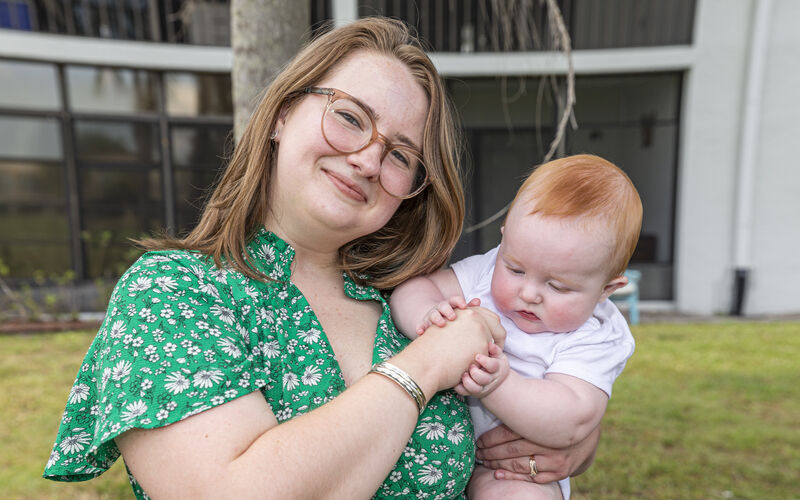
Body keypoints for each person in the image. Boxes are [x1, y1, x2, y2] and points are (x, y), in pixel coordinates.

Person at [44, 18, 600, 499]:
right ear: (284, 113)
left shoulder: (413, 300)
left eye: (400, 154)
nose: (366, 159)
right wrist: (428, 363)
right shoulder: (174, 293)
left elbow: (549, 364)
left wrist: (569, 442)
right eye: (351, 117)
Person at [391, 154, 642, 499]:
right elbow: (412, 288)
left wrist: (499, 385)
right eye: (516, 269)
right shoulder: (487, 269)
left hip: (508, 469)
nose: (528, 293)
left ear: (606, 290)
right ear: (505, 241)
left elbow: (573, 418)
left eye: (558, 286)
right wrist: (429, 313)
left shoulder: (596, 335)